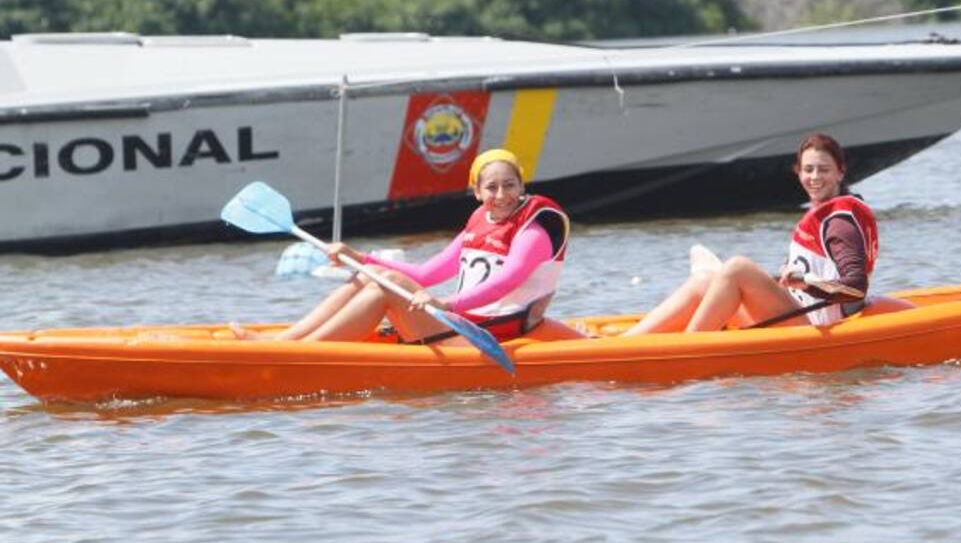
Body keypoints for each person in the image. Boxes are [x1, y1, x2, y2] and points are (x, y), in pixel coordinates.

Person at [232, 148, 585, 344]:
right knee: (373, 274)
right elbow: (427, 273)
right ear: (477, 192)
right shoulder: (480, 221)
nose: (502, 194)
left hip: (494, 332)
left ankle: (301, 353)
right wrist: (359, 258)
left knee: (388, 286)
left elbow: (507, 281)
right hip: (465, 321)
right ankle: (286, 342)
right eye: (491, 187)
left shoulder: (535, 229)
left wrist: (445, 304)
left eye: (510, 185)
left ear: (522, 186)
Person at [623, 134, 879, 335]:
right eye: (808, 169)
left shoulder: (839, 223)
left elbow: (855, 289)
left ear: (840, 172)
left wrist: (805, 281)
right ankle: (624, 345)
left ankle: (685, 352)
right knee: (705, 280)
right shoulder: (823, 215)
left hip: (816, 330)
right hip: (798, 315)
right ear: (798, 172)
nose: (814, 177)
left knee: (738, 268)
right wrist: (786, 279)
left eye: (823, 170)